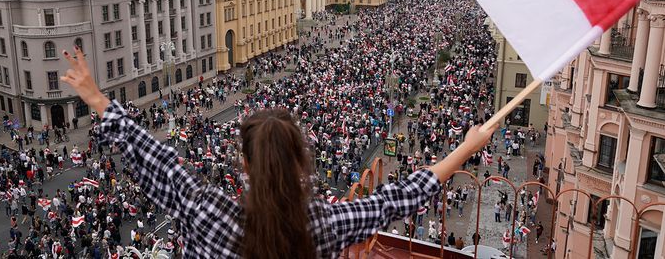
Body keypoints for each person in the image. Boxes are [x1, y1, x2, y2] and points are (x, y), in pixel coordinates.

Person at [59, 45, 496, 259]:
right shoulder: (323, 222)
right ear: (300, 160)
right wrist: (465, 148)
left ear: (244, 162)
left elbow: (155, 158)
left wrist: (98, 99)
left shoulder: (206, 210)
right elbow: (399, 198)